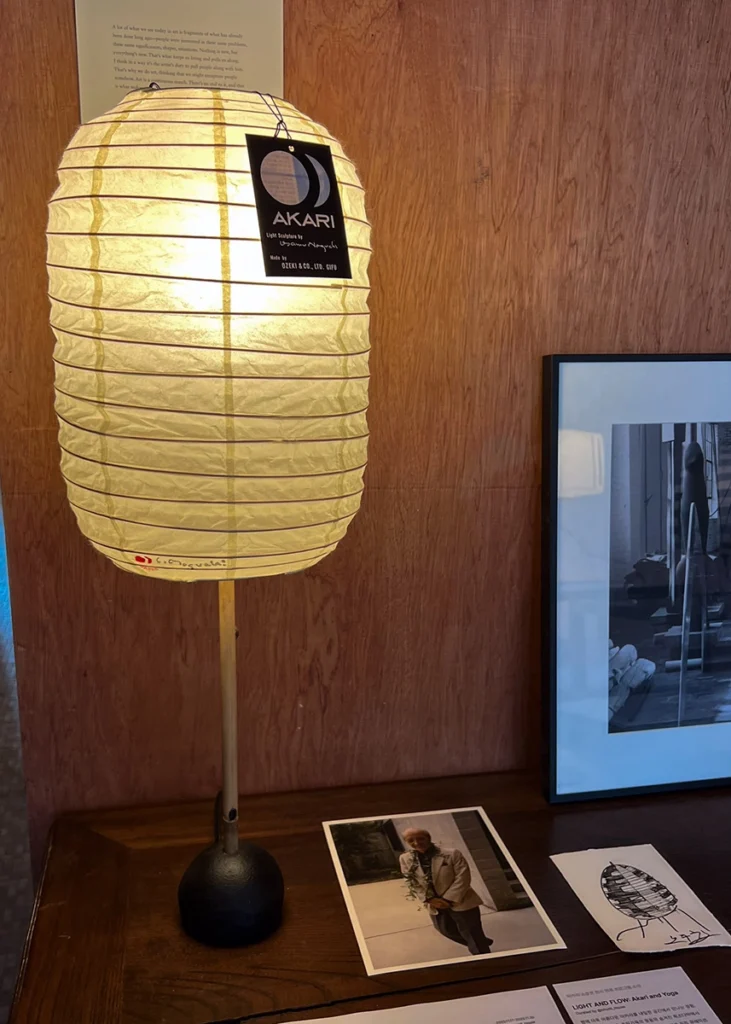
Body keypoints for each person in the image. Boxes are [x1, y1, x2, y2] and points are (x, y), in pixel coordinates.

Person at [399, 827, 493, 955]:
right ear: (406, 842)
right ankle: (479, 942)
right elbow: (411, 881)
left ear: (428, 838)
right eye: (411, 840)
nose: (416, 843)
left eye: (420, 838)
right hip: (433, 902)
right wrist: (430, 899)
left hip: (461, 900)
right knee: (445, 930)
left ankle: (481, 953)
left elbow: (463, 877)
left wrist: (448, 899)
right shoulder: (405, 858)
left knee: (471, 931)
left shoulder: (452, 853)